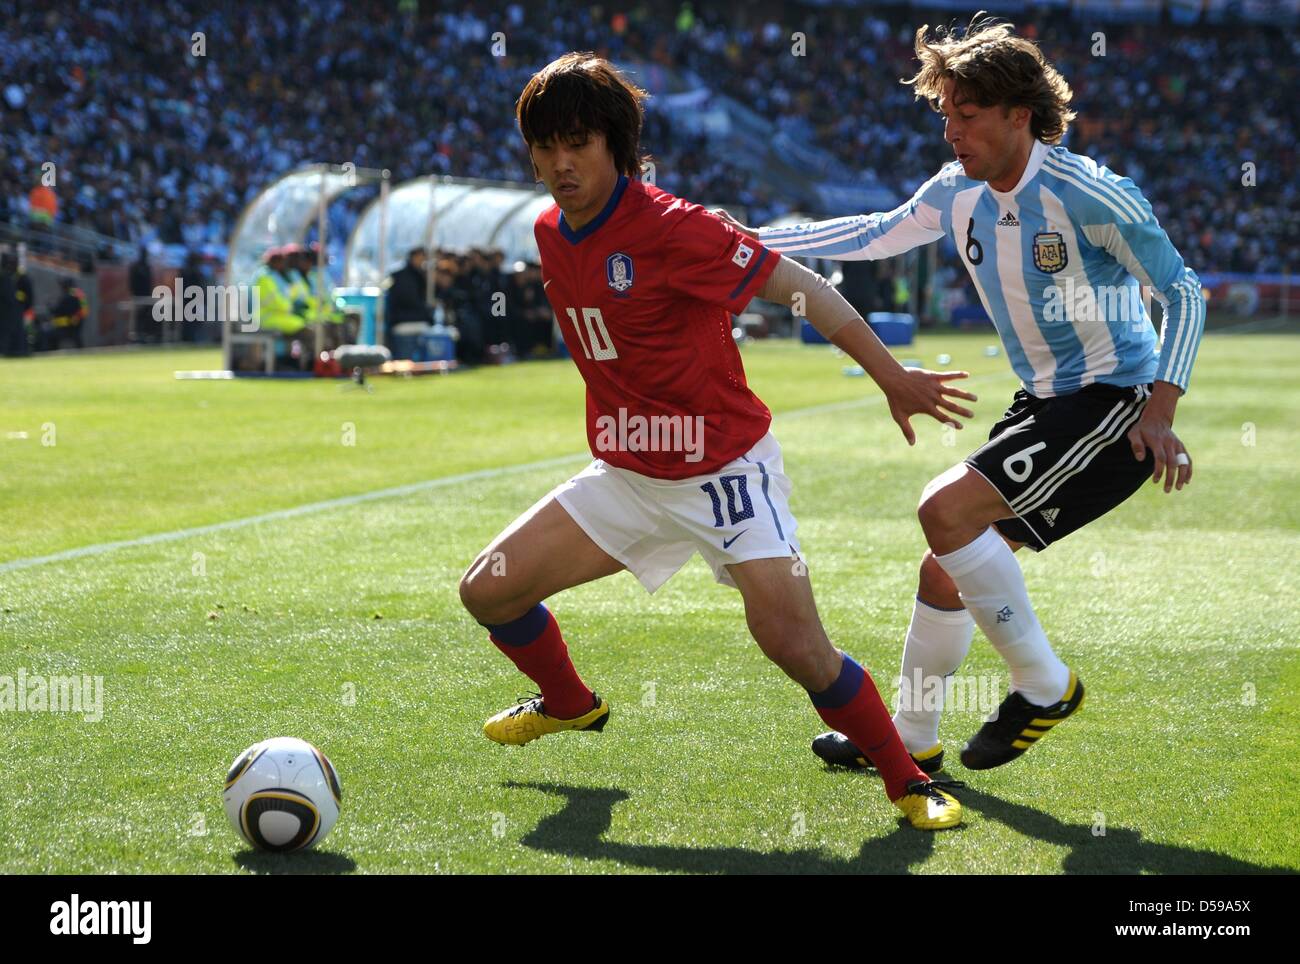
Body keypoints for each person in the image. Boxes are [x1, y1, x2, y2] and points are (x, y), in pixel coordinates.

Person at [457, 53, 979, 830]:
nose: (559, 164)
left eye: (578, 144)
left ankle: (908, 783)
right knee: (488, 588)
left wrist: (888, 375)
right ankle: (569, 704)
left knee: (797, 647)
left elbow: (802, 286)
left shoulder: (677, 227)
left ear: (616, 145)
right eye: (544, 146)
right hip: (628, 475)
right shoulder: (547, 229)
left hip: (723, 473)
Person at [726, 17, 1205, 774]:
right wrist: (750, 242)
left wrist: (1162, 408)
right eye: (945, 113)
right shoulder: (958, 192)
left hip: (1114, 401)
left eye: (966, 114)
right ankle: (911, 739)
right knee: (942, 569)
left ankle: (1044, 685)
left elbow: (1183, 291)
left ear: (1020, 114)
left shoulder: (1090, 195)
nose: (950, 130)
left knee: (942, 510)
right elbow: (878, 232)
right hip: (1049, 400)